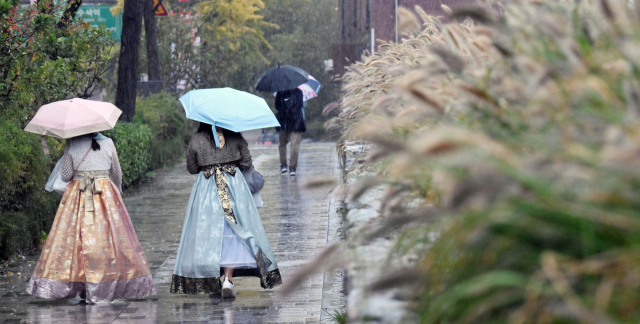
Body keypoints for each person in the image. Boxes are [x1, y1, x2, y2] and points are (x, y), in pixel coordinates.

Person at [26, 133, 156, 303]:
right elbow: (116, 172)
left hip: (78, 195)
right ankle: (105, 283)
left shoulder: (72, 143)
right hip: (105, 195)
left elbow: (65, 175)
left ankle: (80, 283)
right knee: (107, 239)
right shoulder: (109, 143)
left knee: (75, 239)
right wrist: (117, 189)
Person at [170, 123, 282, 298]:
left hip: (207, 188)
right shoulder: (235, 137)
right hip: (233, 186)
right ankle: (228, 279)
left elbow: (191, 168)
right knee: (234, 230)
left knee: (210, 233)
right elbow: (246, 162)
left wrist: (208, 162)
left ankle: (213, 277)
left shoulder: (197, 139)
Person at [275, 88, 305, 176]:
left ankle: (292, 167)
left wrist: (287, 106)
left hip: (295, 122)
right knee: (283, 143)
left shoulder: (298, 92)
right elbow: (277, 105)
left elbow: (299, 105)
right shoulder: (280, 92)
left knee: (294, 144)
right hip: (284, 121)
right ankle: (284, 165)